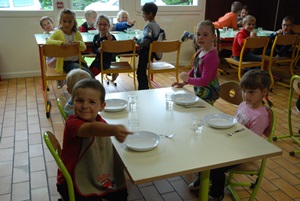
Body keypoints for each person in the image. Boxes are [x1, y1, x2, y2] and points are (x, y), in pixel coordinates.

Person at [188, 70, 273, 201]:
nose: (246, 95)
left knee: (216, 165)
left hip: (244, 151)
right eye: (244, 91)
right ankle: (203, 178)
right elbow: (235, 123)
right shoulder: (244, 105)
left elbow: (253, 142)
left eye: (251, 92)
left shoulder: (260, 116)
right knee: (204, 147)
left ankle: (217, 193)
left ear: (264, 92)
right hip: (232, 141)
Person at [56, 78, 132, 201]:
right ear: (73, 102)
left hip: (93, 172)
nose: (85, 106)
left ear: (102, 106)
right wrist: (114, 130)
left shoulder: (100, 121)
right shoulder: (72, 123)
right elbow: (91, 129)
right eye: (79, 101)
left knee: (121, 194)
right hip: (71, 181)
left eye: (91, 102)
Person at [172, 20, 220, 105]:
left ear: (213, 37)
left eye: (205, 35)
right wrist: (184, 82)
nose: (200, 37)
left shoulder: (211, 57)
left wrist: (188, 79)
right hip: (201, 92)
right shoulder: (201, 50)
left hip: (209, 94)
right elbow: (196, 68)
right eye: (198, 34)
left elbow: (204, 81)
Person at [46, 8, 94, 78]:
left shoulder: (76, 34)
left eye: (70, 21)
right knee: (84, 74)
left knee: (89, 74)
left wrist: (79, 43)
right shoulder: (58, 33)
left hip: (78, 60)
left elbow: (84, 48)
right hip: (65, 63)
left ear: (74, 22)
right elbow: (48, 41)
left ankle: (93, 87)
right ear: (60, 22)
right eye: (64, 21)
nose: (67, 24)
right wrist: (60, 43)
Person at [133, 2, 164, 90]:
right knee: (142, 71)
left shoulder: (148, 27)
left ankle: (143, 89)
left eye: (144, 13)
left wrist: (137, 41)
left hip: (145, 52)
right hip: (152, 52)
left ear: (150, 14)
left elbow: (146, 41)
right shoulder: (157, 26)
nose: (143, 16)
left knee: (140, 72)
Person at [89, 14, 118, 79]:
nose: (102, 27)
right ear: (96, 26)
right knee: (88, 71)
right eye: (100, 24)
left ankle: (90, 83)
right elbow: (93, 48)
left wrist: (111, 41)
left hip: (107, 61)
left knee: (91, 74)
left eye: (105, 25)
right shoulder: (96, 37)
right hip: (98, 60)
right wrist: (98, 50)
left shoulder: (111, 37)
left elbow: (115, 49)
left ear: (109, 26)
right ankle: (90, 83)